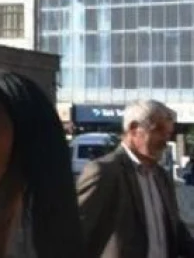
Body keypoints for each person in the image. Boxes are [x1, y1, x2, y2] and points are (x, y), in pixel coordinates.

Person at [76, 99, 194, 258]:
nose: (165, 140)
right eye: (158, 130)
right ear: (133, 128)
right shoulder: (105, 172)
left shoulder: (162, 177)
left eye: (168, 133)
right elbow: (75, 233)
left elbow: (175, 229)